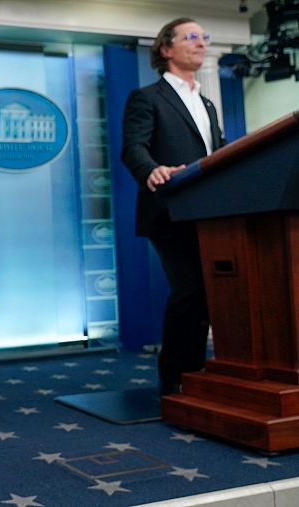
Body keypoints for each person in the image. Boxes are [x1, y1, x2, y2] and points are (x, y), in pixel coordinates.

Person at [121, 17, 226, 396]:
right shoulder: (147, 97)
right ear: (166, 49)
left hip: (211, 213)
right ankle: (175, 376)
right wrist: (151, 170)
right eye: (191, 37)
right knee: (190, 289)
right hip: (169, 211)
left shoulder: (208, 103)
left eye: (204, 37)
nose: (201, 43)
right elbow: (133, 146)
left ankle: (196, 370)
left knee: (210, 291)